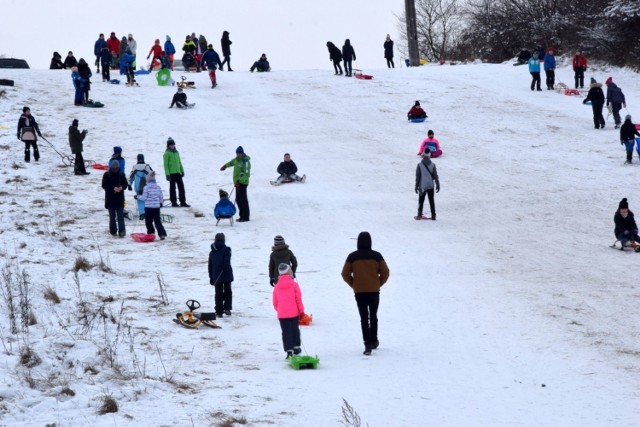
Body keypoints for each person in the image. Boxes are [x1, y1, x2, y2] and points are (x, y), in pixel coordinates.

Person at [341, 231, 390, 356]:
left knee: (364, 318)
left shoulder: (352, 256)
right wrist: (378, 283)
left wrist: (354, 284)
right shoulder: (377, 256)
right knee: (373, 316)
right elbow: (385, 273)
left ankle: (367, 345)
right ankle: (374, 341)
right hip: (374, 291)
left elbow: (345, 274)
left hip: (360, 292)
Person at [273, 263, 305, 359]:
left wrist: (279, 310)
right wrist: (301, 311)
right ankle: (296, 347)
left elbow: (275, 302)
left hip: (282, 314)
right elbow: (298, 299)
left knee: (286, 332)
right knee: (295, 330)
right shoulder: (294, 285)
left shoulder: (277, 286)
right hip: (294, 313)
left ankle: (289, 351)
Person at [220, 146, 251, 221]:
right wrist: (225, 166)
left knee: (243, 200)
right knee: (238, 199)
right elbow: (231, 162)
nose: (238, 155)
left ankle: (246, 217)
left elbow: (246, 174)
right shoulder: (236, 160)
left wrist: (239, 181)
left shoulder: (245, 162)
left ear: (242, 153)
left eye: (239, 153)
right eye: (237, 153)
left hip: (242, 183)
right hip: (237, 183)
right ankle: (241, 216)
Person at [101, 159, 128, 237]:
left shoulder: (121, 174)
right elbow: (104, 185)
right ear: (111, 167)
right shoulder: (106, 175)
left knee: (120, 216)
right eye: (114, 166)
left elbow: (125, 184)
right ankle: (113, 231)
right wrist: (113, 188)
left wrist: (121, 188)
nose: (115, 168)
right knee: (112, 217)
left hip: (119, 199)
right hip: (110, 199)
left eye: (117, 166)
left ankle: (122, 231)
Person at [209, 233, 234, 317]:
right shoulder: (227, 249)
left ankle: (219, 311)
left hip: (217, 275)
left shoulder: (211, 252)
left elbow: (210, 266)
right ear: (223, 240)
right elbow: (227, 258)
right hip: (226, 274)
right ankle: (227, 308)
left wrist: (211, 277)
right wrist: (225, 265)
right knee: (227, 291)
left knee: (218, 293)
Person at [139, 171, 167, 240]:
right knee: (157, 221)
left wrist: (138, 197)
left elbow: (144, 198)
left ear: (148, 179)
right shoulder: (158, 187)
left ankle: (151, 233)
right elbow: (161, 196)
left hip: (148, 207)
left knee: (148, 222)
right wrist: (161, 203)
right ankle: (162, 234)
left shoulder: (146, 187)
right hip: (156, 207)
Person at [163, 137, 189, 207]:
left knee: (181, 187)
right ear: (168, 146)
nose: (172, 146)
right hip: (171, 174)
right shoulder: (166, 154)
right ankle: (174, 202)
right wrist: (167, 174)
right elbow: (165, 165)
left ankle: (183, 202)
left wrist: (182, 170)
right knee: (172, 188)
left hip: (178, 173)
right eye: (171, 145)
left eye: (173, 144)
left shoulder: (177, 152)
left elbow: (179, 162)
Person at [415, 149, 440, 220]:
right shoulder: (432, 165)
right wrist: (438, 184)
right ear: (429, 155)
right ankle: (433, 215)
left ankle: (419, 214)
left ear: (423, 154)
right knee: (431, 200)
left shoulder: (419, 165)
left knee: (421, 200)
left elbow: (418, 177)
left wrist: (416, 186)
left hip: (422, 186)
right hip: (431, 185)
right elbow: (435, 176)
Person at [129, 154, 153, 219]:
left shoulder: (135, 167)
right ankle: (148, 212)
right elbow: (152, 175)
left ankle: (142, 213)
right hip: (147, 186)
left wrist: (129, 184)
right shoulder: (147, 166)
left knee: (140, 199)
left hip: (138, 186)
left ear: (137, 159)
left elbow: (131, 177)